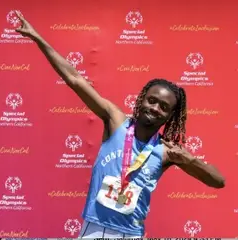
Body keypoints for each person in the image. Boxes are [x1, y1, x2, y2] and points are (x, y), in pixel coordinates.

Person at [15, 11, 225, 239]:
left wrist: (190, 160)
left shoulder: (167, 151)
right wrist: (37, 38)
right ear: (141, 99)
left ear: (170, 116)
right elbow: (75, 79)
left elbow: (218, 181)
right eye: (151, 100)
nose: (155, 108)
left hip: (131, 234)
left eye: (163, 107)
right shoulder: (116, 121)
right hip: (93, 230)